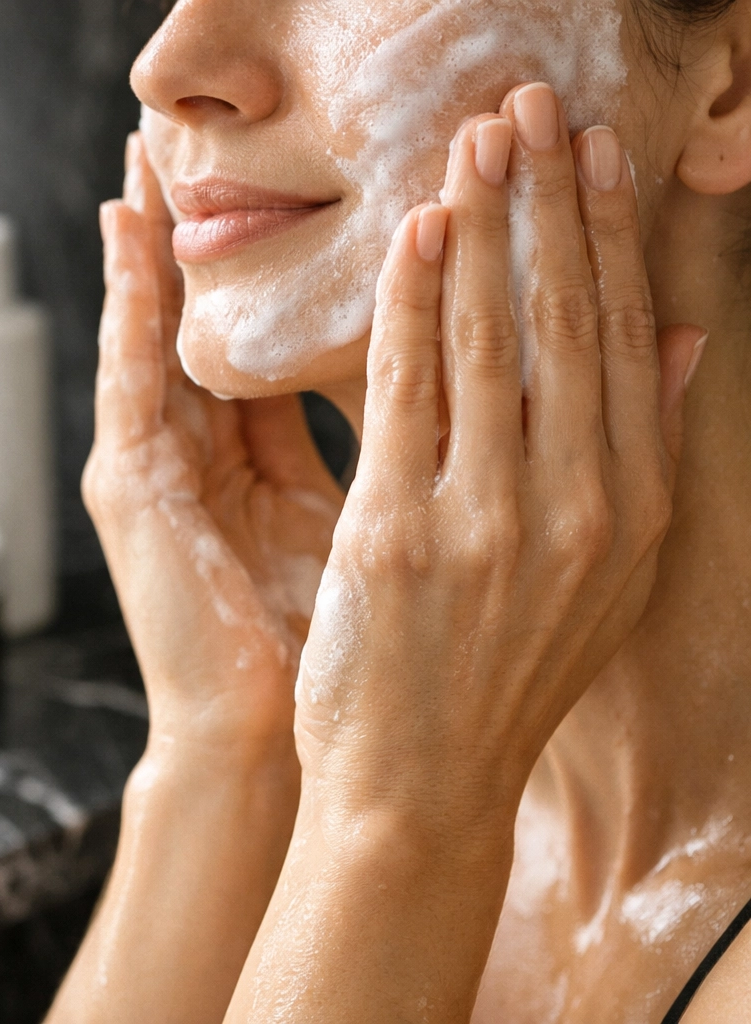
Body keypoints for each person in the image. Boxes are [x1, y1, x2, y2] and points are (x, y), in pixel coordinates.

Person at [48, 0, 751, 1019]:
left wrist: (399, 819)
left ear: (728, 85)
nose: (167, 65)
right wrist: (222, 755)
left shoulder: (392, 806)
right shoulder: (337, 773)